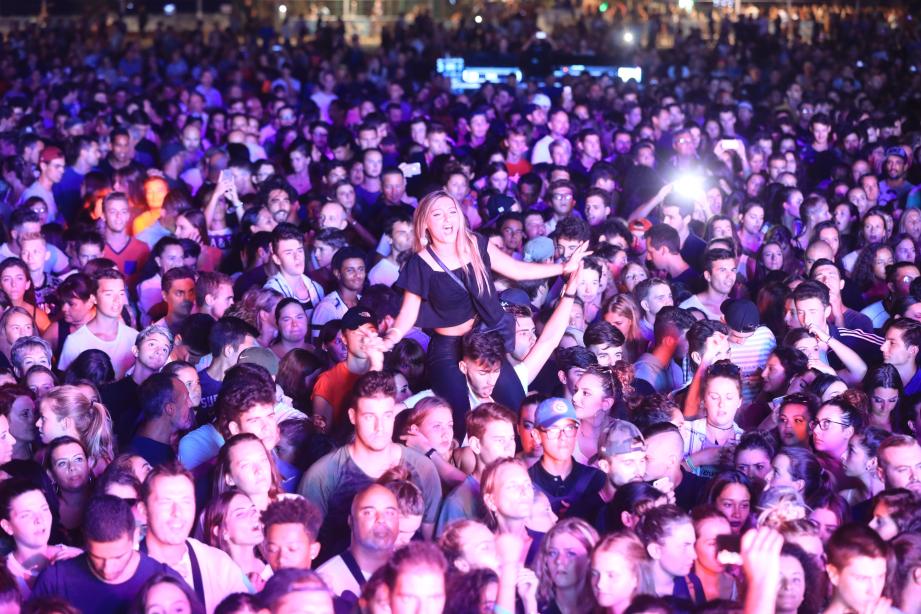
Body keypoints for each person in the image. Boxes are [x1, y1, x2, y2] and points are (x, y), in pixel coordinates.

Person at [385, 190, 588, 439]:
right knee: (458, 423)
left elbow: (517, 269)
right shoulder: (420, 263)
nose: (447, 220)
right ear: (425, 223)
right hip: (447, 348)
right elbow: (408, 311)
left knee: (517, 405)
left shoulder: (475, 244)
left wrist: (563, 268)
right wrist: (391, 337)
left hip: (482, 339)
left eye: (452, 212)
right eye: (438, 214)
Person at [297, 371, 441, 560]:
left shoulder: (423, 469)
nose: (379, 427)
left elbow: (429, 544)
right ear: (353, 416)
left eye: (387, 415)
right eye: (369, 416)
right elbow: (304, 548)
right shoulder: (322, 476)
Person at [30, 495, 180, 614]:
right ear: (85, 541)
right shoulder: (54, 581)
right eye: (97, 557)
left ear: (135, 536)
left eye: (118, 557)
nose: (107, 568)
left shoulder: (164, 580)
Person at [140, 462, 248, 613]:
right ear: (144, 511)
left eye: (186, 502)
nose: (177, 512)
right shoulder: (123, 568)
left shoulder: (218, 564)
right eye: (165, 502)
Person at [435, 403, 517, 535]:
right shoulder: (457, 503)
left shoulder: (521, 486)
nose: (509, 447)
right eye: (500, 440)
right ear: (476, 445)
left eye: (512, 439)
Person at [0, 478, 81, 600]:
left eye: (44, 509)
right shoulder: (4, 576)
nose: (39, 520)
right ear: (7, 526)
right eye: (26, 515)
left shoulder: (76, 558)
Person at [316, 483, 398, 602]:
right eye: (368, 512)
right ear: (351, 521)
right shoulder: (325, 584)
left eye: (390, 513)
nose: (381, 519)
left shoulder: (415, 572)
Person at [528, 397, 606, 522]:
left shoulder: (596, 480)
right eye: (553, 429)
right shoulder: (527, 484)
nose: (563, 437)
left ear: (578, 431)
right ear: (537, 436)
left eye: (569, 428)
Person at [58, 269, 139, 379]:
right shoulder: (75, 341)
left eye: (121, 293)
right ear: (93, 298)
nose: (117, 300)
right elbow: (67, 387)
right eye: (109, 294)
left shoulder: (134, 337)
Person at [101, 324, 173, 443]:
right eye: (152, 344)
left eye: (165, 349)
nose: (159, 351)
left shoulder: (166, 398)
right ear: (136, 350)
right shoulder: (110, 392)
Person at [636, 504, 704, 612]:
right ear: (656, 551)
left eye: (693, 545)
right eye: (684, 546)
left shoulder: (692, 584)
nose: (694, 555)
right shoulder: (632, 591)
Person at [126, 372, 194, 467]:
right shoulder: (140, 462)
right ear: (170, 409)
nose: (191, 404)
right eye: (186, 400)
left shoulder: (159, 448)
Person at [264, 224, 325, 326]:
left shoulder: (317, 288)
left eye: (299, 250)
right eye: (289, 253)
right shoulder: (272, 291)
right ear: (276, 259)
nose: (297, 257)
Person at [261, 496, 323, 571]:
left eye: (292, 549)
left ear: (313, 551)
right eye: (272, 550)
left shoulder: (334, 581)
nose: (281, 559)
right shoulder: (259, 580)